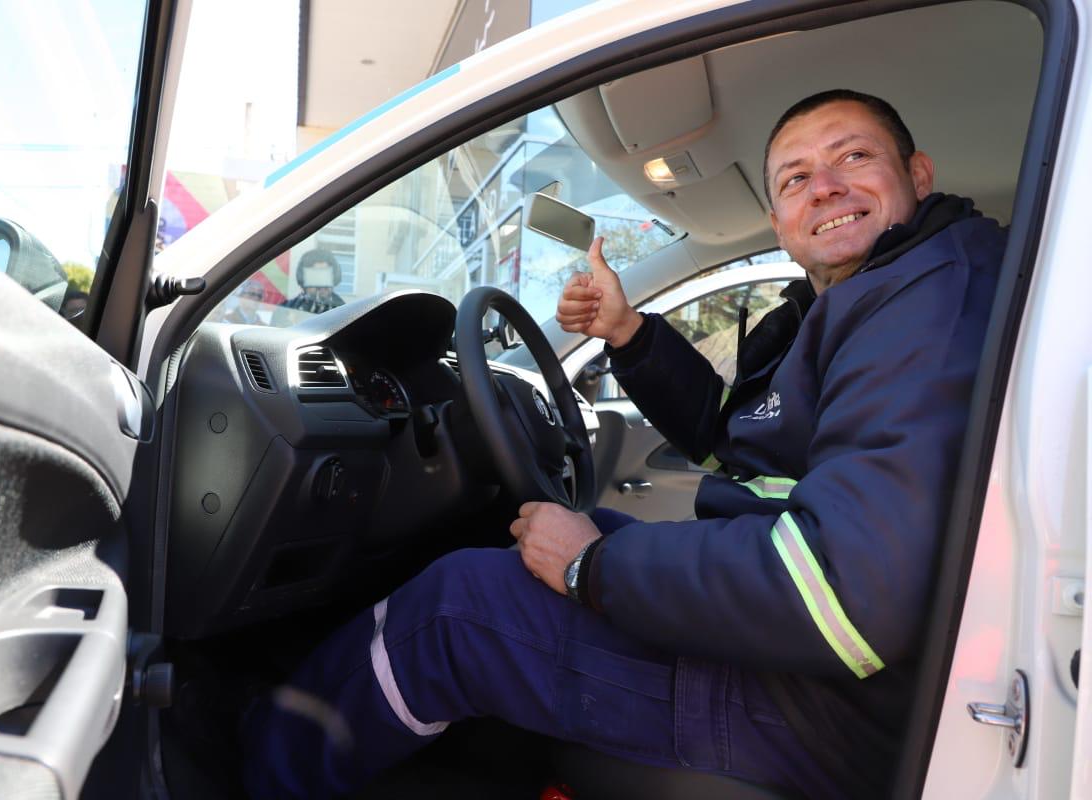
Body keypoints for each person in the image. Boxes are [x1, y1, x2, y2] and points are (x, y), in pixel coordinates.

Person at [240, 89, 1007, 799]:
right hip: (820, 675)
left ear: (917, 172)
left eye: (853, 157)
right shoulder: (855, 297)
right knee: (547, 556)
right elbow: (735, 443)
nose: (826, 186)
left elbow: (845, 600)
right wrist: (626, 332)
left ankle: (255, 780)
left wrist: (589, 565)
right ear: (778, 221)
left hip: (823, 708)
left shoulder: (925, 301)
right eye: (796, 177)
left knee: (455, 610)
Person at [282, 249, 346, 314]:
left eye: (325, 276)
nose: (321, 284)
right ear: (303, 279)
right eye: (315, 276)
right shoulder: (285, 309)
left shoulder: (344, 311)